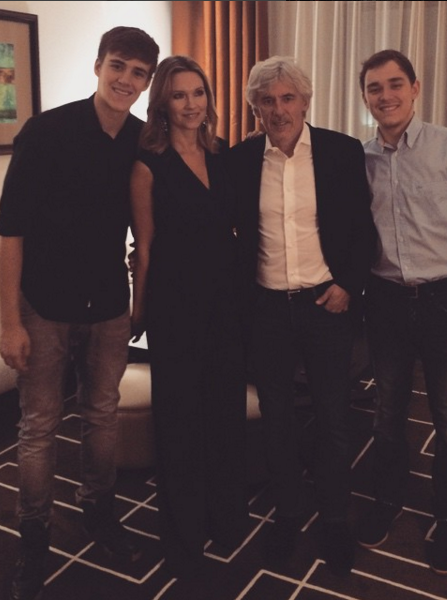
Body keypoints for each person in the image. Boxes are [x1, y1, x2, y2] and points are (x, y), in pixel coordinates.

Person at [0, 26, 159, 600]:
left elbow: (146, 230)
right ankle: (34, 536)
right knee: (39, 425)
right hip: (44, 305)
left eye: (138, 73)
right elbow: (10, 232)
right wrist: (10, 322)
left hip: (108, 304)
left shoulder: (141, 140)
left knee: (102, 415)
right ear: (98, 66)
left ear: (147, 82)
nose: (126, 80)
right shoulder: (46, 132)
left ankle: (99, 512)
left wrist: (140, 301)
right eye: (118, 66)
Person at [227, 56, 377, 576]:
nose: (279, 110)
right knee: (278, 418)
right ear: (255, 108)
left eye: (288, 98)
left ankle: (335, 517)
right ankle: (288, 512)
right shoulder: (241, 160)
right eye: (267, 101)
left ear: (306, 101)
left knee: (333, 417)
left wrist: (347, 285)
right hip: (267, 309)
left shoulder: (341, 151)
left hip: (325, 305)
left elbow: (362, 229)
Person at [357, 49, 447, 575]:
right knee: (387, 414)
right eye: (375, 88)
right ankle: (387, 499)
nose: (386, 95)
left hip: (444, 299)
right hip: (384, 300)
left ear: (415, 88)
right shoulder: (360, 158)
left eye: (395, 84)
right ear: (365, 97)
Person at [129, 55, 249, 581]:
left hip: (226, 303)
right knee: (179, 422)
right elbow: (145, 247)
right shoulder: (147, 165)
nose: (191, 104)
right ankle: (183, 535)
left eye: (198, 93)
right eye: (179, 95)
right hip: (174, 307)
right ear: (163, 103)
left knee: (223, 413)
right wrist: (138, 309)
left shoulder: (222, 156)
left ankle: (226, 517)